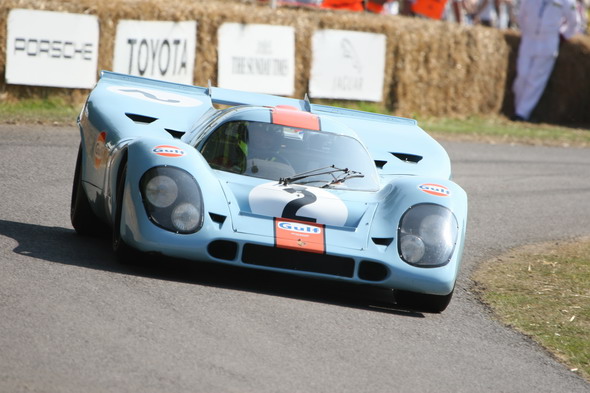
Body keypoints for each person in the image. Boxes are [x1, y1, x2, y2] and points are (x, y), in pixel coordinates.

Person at [511, 0, 580, 122]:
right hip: (529, 39)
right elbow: (521, 16)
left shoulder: (566, 1)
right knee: (522, 75)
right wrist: (526, 32)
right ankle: (518, 109)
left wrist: (563, 36)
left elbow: (574, 22)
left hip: (548, 41)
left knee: (536, 79)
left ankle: (521, 114)